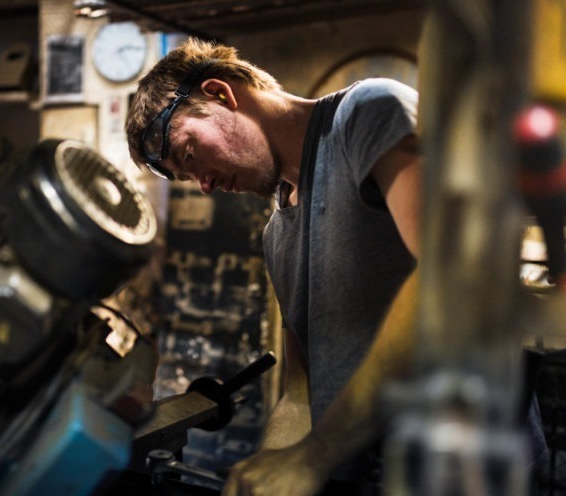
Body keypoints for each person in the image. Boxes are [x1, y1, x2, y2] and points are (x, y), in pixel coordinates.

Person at [124, 38, 546, 495]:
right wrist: (270, 466)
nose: (203, 184)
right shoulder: (276, 236)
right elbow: (302, 388)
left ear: (220, 94)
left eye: (190, 154)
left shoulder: (367, 114)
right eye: (188, 177)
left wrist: (317, 453)